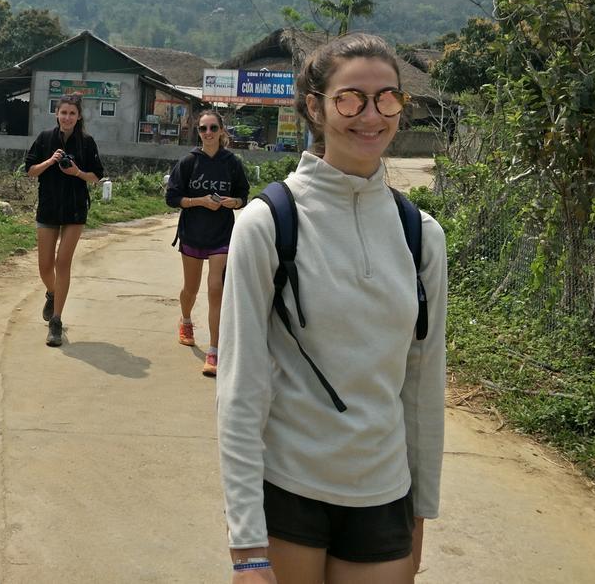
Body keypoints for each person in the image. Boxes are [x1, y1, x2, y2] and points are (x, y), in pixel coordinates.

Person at [217, 33, 447, 584]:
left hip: (384, 492)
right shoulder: (268, 223)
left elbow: (422, 383)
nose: (370, 115)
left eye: (387, 98)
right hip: (290, 485)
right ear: (315, 108)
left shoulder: (421, 236)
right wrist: (246, 546)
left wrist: (421, 512)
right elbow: (241, 387)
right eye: (350, 98)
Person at [165, 110, 250, 377]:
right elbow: (172, 197)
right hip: (193, 232)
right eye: (203, 129)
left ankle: (214, 350)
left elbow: (243, 195)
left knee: (216, 289)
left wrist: (232, 202)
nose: (209, 133)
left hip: (221, 235)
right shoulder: (189, 162)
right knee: (190, 288)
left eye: (213, 128)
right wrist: (200, 201)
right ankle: (186, 320)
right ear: (198, 132)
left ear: (222, 131)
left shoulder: (232, 163)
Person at [25, 94, 104, 347]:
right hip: (48, 208)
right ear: (56, 114)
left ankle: (56, 320)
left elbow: (97, 177)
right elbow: (30, 171)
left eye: (72, 113)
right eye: (63, 112)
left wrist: (77, 172)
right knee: (45, 266)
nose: (67, 117)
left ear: (79, 116)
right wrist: (51, 160)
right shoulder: (45, 138)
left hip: (75, 210)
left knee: (62, 262)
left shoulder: (87, 143)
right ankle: (53, 293)